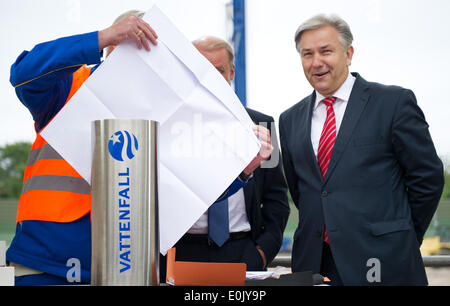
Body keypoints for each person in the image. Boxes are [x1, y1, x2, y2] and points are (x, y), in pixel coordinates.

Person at [7, 10, 271, 286]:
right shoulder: (68, 88)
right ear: (109, 47)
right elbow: (24, 73)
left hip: (130, 269)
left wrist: (243, 171)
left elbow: (188, 194)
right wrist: (99, 38)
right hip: (48, 266)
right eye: (128, 44)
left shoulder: (168, 113)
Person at [279, 14, 444, 285]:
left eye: (326, 51)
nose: (316, 62)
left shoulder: (393, 103)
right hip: (314, 265)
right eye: (307, 54)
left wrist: (399, 236)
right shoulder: (289, 119)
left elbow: (427, 179)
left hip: (382, 260)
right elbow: (303, 191)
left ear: (348, 53)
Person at [160, 36, 290, 282]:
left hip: (242, 250)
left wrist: (262, 252)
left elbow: (276, 199)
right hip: (183, 251)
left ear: (231, 73)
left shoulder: (261, 124)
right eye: (202, 69)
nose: (209, 77)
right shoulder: (168, 126)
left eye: (218, 70)